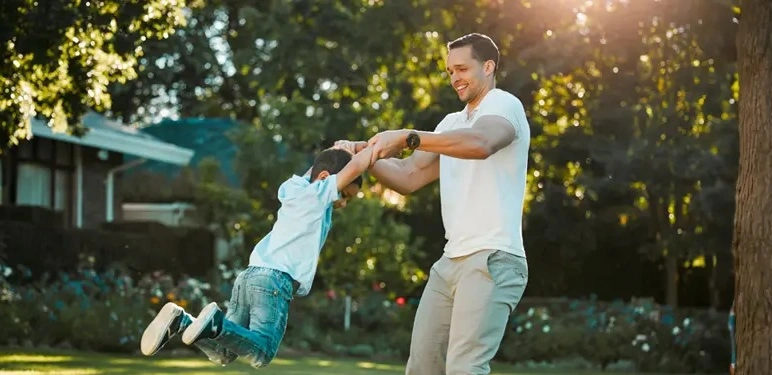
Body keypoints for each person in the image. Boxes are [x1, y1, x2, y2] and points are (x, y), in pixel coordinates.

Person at [335, 32, 530, 375]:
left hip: (493, 257)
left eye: (462, 69)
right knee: (422, 367)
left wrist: (410, 137)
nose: (454, 77)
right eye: (449, 71)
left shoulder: (504, 105)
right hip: (450, 262)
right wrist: (362, 154)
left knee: (464, 368)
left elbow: (482, 142)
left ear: (488, 67)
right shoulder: (451, 125)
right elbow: (410, 175)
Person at [139, 146, 373, 368]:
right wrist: (381, 147)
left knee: (224, 352)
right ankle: (214, 324)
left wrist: (341, 149)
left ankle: (182, 322)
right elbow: (351, 169)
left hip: (250, 276)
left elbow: (318, 169)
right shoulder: (316, 197)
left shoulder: (295, 189)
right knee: (262, 352)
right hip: (275, 282)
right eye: (343, 194)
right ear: (324, 180)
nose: (342, 202)